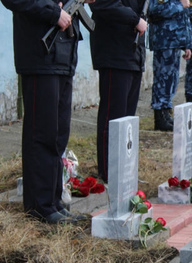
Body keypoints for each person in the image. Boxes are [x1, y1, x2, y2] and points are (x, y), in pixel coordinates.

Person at [1, 0, 94, 224]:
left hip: (63, 56)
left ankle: (53, 201)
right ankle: (39, 206)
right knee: (41, 134)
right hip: (40, 55)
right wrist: (54, 13)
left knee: (58, 135)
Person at [89, 0, 148, 183]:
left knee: (126, 121)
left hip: (133, 52)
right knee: (113, 119)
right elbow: (102, 4)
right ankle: (110, 173)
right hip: (114, 51)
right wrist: (134, 19)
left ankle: (123, 170)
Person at [148, 0, 192, 131]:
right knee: (162, 79)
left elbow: (184, 18)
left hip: (175, 41)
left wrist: (187, 44)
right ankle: (159, 117)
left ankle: (166, 113)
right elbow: (154, 10)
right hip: (164, 40)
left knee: (171, 80)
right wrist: (180, 5)